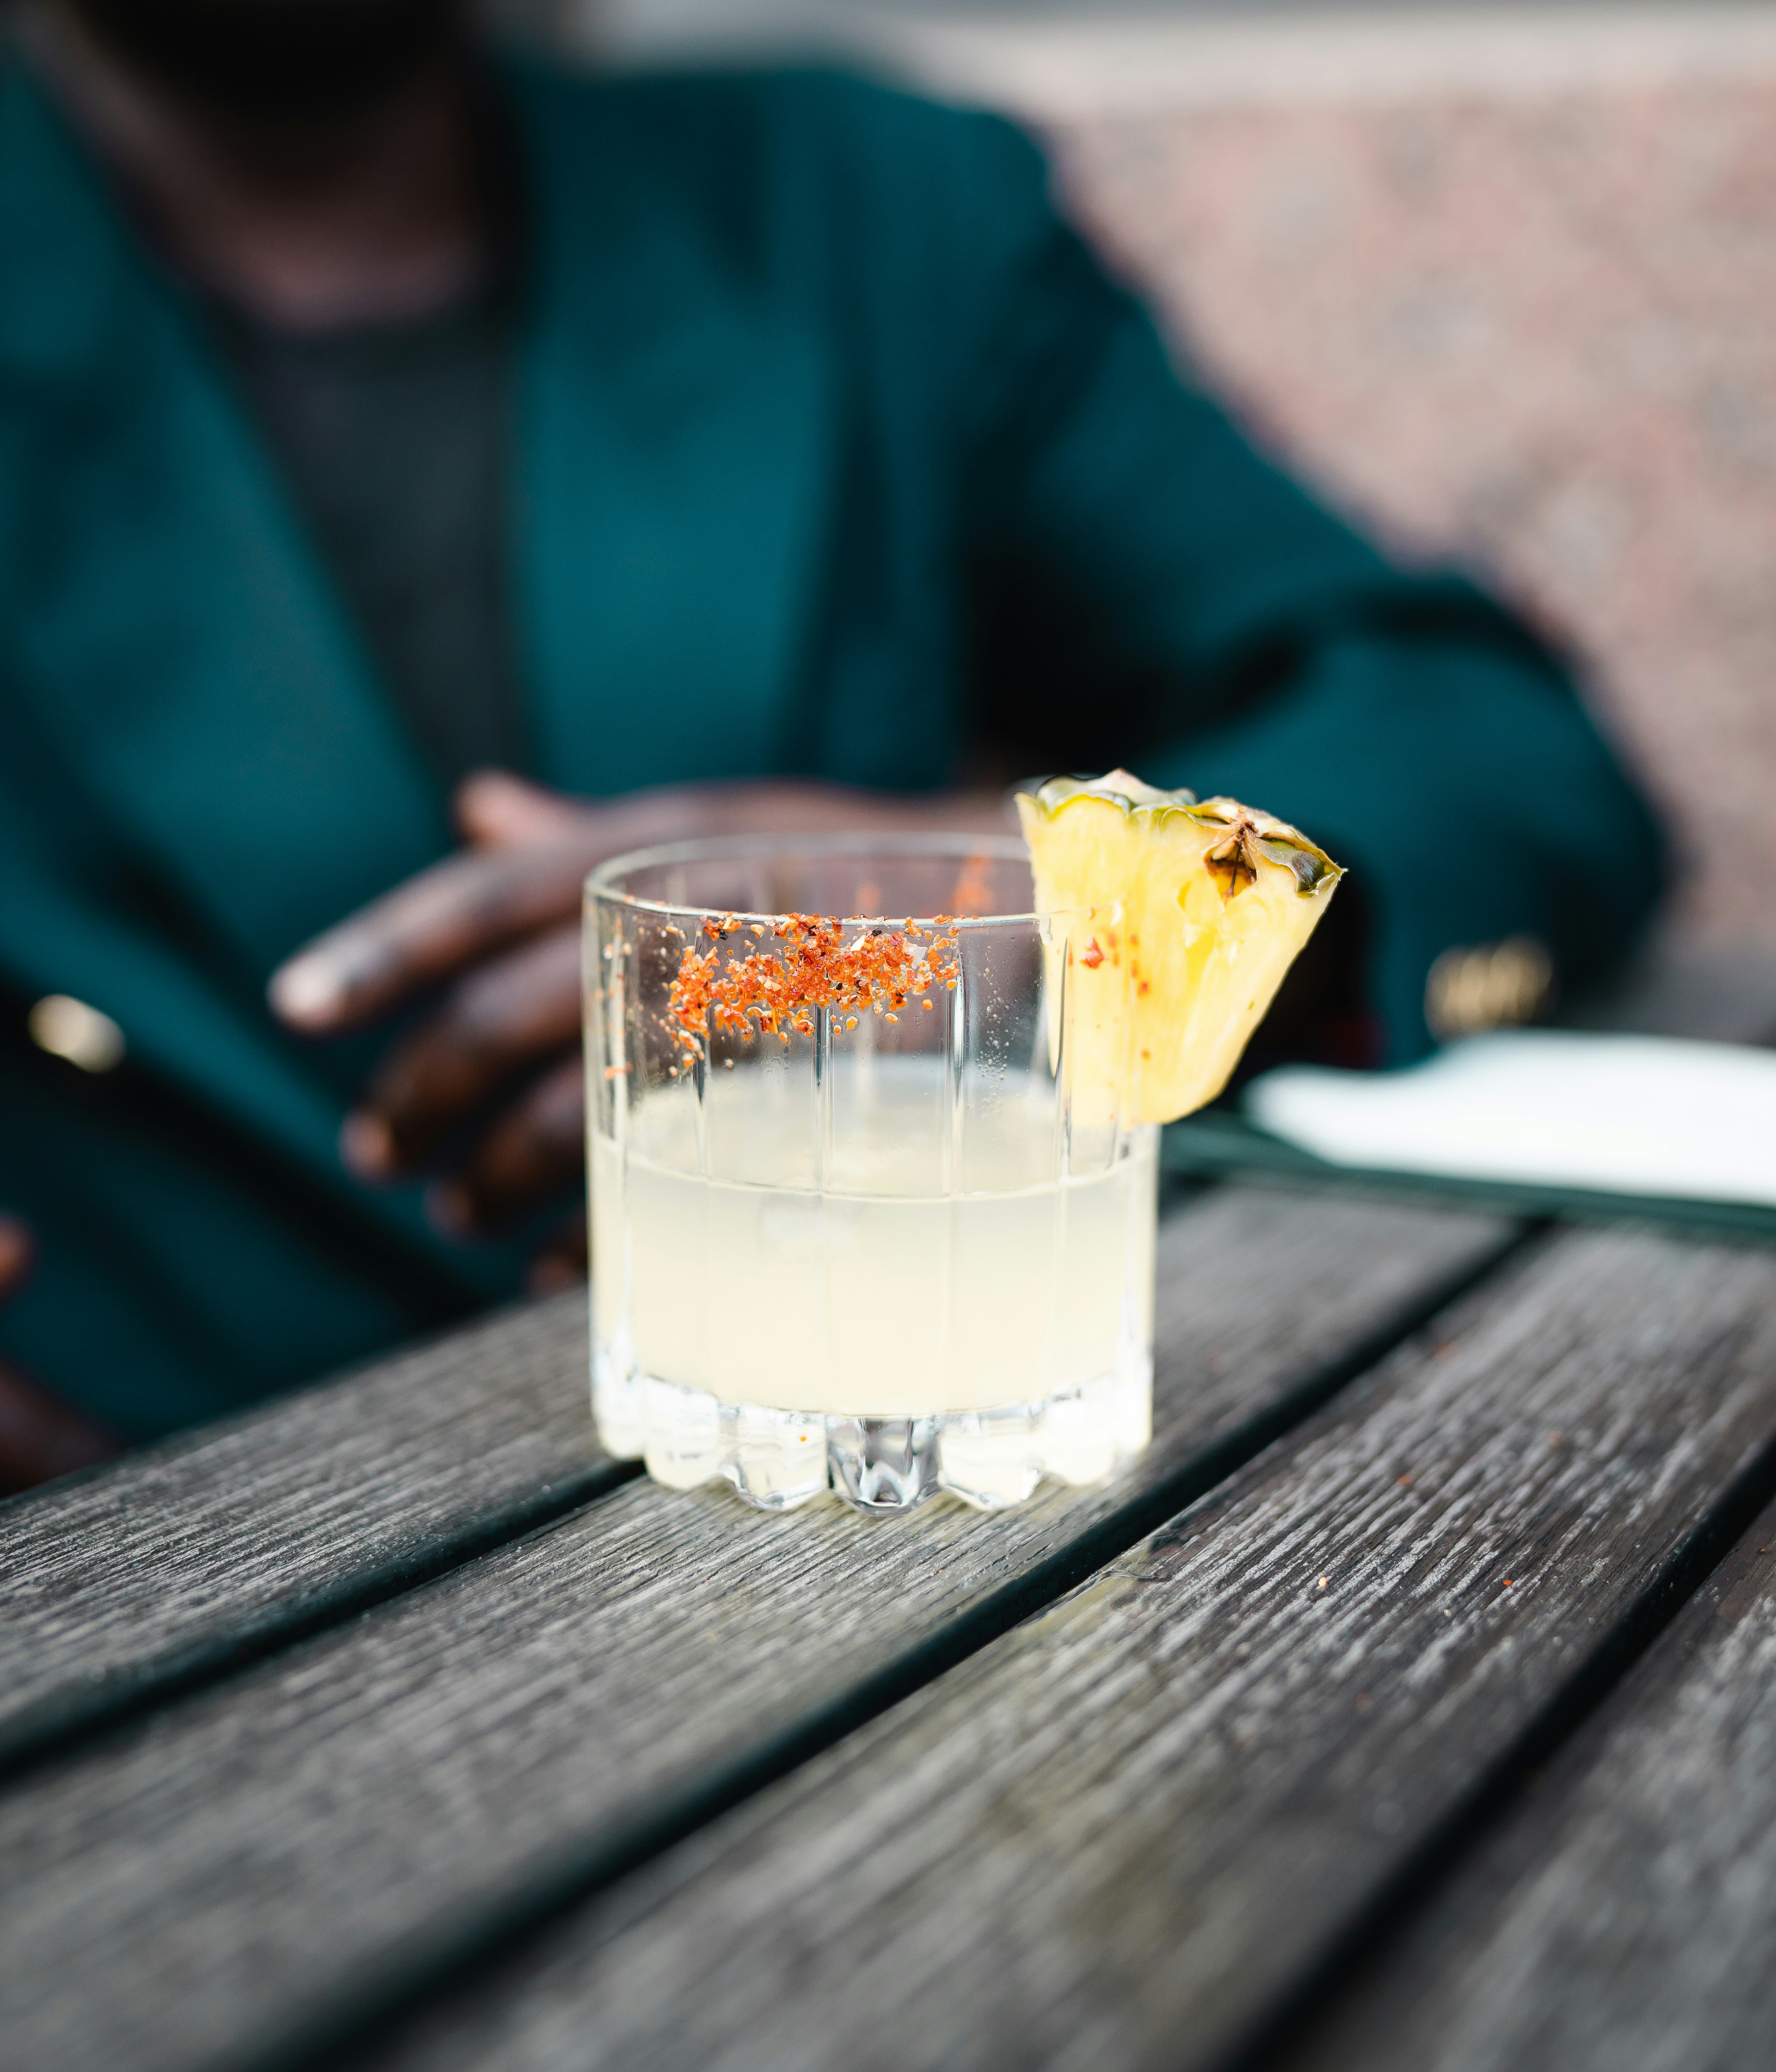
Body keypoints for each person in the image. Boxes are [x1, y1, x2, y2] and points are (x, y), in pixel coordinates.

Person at [0, 0, 1663, 1491]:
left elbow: (1480, 741)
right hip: (129, 1576)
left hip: (853, 1532)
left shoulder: (866, 209)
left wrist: (1105, 917)